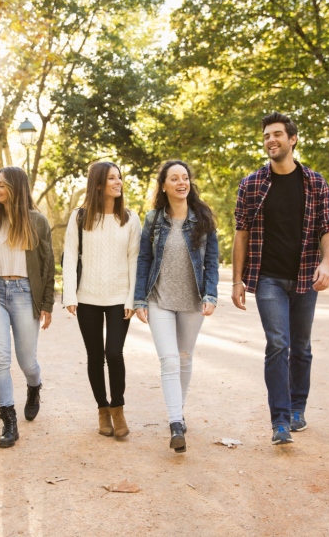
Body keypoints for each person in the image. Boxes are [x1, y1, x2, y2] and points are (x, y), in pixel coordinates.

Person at [231, 111, 329, 445]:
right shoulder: (251, 184)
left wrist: (327, 264)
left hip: (307, 276)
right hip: (269, 279)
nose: (271, 140)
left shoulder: (315, 183)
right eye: (266, 136)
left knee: (301, 347)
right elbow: (241, 232)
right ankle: (279, 421)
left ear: (293, 139)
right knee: (278, 343)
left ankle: (297, 409)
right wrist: (237, 280)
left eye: (277, 134)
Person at [134, 160, 219, 453]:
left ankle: (178, 411)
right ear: (164, 186)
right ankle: (175, 424)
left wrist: (210, 295)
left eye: (185, 178)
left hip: (192, 300)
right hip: (160, 299)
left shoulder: (203, 217)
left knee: (184, 357)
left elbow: (211, 262)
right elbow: (144, 259)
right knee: (169, 359)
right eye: (175, 178)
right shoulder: (153, 219)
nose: (182, 182)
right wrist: (139, 299)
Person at [0, 166, 55, 448]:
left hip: (24, 294)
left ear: (16, 189)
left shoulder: (37, 221)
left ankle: (34, 386)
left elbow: (47, 266)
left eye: (2, 185)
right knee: (0, 360)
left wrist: (47, 304)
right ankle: (9, 420)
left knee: (26, 361)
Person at [63, 161, 141, 439]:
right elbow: (70, 256)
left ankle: (118, 408)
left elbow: (135, 260)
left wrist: (134, 298)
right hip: (87, 297)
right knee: (95, 356)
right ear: (98, 184)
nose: (118, 182)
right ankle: (102, 409)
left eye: (119, 177)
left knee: (114, 353)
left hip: (120, 297)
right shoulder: (80, 217)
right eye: (111, 178)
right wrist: (70, 295)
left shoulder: (130, 218)